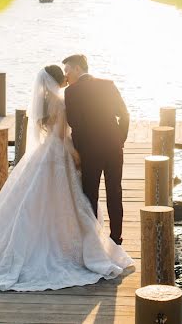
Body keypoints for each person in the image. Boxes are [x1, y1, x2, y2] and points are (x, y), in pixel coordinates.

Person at [0, 65, 132, 291]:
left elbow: (47, 126)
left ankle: (68, 239)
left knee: (37, 198)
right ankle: (96, 240)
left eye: (68, 71)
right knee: (88, 196)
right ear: (58, 79)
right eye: (63, 74)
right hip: (63, 151)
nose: (67, 76)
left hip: (45, 151)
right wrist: (77, 153)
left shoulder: (46, 100)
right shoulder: (62, 100)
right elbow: (70, 130)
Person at [62, 54, 129, 245]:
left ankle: (93, 240)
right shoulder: (107, 84)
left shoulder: (71, 92)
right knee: (115, 191)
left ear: (77, 69)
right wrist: (120, 139)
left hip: (89, 150)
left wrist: (78, 150)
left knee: (90, 193)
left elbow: (74, 123)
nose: (66, 76)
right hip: (113, 147)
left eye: (67, 70)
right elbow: (124, 114)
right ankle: (116, 238)